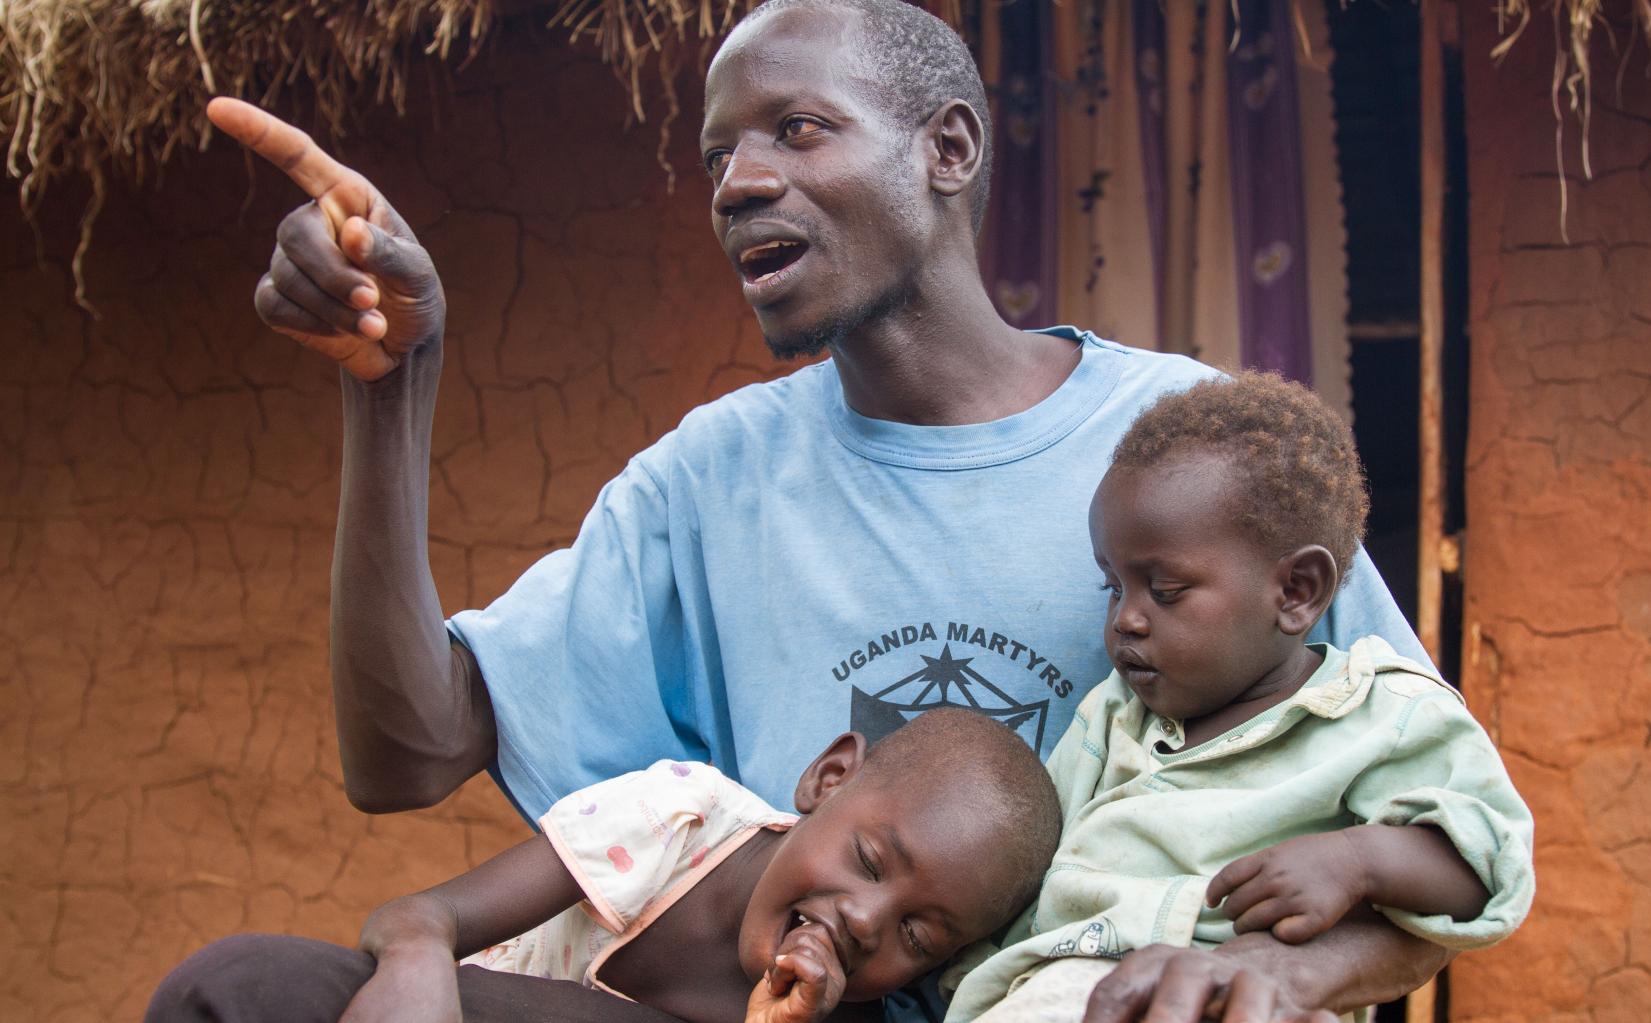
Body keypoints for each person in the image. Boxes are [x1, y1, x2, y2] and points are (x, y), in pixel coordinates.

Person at [195, 0, 1455, 1018]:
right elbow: (403, 758)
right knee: (245, 994)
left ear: (946, 151)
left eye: (795, 130)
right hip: (775, 1009)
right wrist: (394, 385)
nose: (737, 181)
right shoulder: (713, 477)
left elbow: (1440, 839)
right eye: (716, 158)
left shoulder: (1186, 451)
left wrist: (1276, 974)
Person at [943, 374, 1535, 1023]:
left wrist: (1359, 860)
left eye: (1164, 590)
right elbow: (1027, 861)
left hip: (1254, 996)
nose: (1127, 619)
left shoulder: (1378, 712)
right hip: (1074, 985)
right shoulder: (1111, 716)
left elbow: (1487, 862)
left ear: (1296, 591)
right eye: (1113, 587)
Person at [149, 710, 1062, 1023]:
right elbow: (419, 918)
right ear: (828, 777)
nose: (867, 919)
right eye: (870, 859)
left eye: (917, 931)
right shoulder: (680, 818)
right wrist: (418, 974)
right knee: (244, 987)